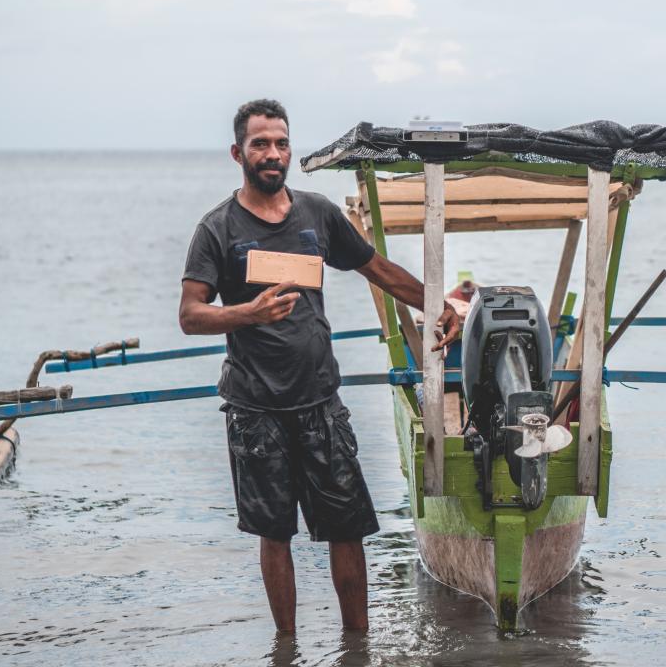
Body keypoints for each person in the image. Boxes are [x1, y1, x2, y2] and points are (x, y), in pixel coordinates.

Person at [179, 99, 458, 632]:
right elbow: (191, 315)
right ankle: (286, 648)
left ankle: (359, 647)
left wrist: (437, 304)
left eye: (281, 143)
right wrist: (248, 312)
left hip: (320, 402)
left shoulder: (317, 214)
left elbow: (376, 267)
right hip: (255, 408)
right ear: (238, 152)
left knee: (346, 527)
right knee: (274, 533)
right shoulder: (217, 229)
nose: (273, 153)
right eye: (261, 143)